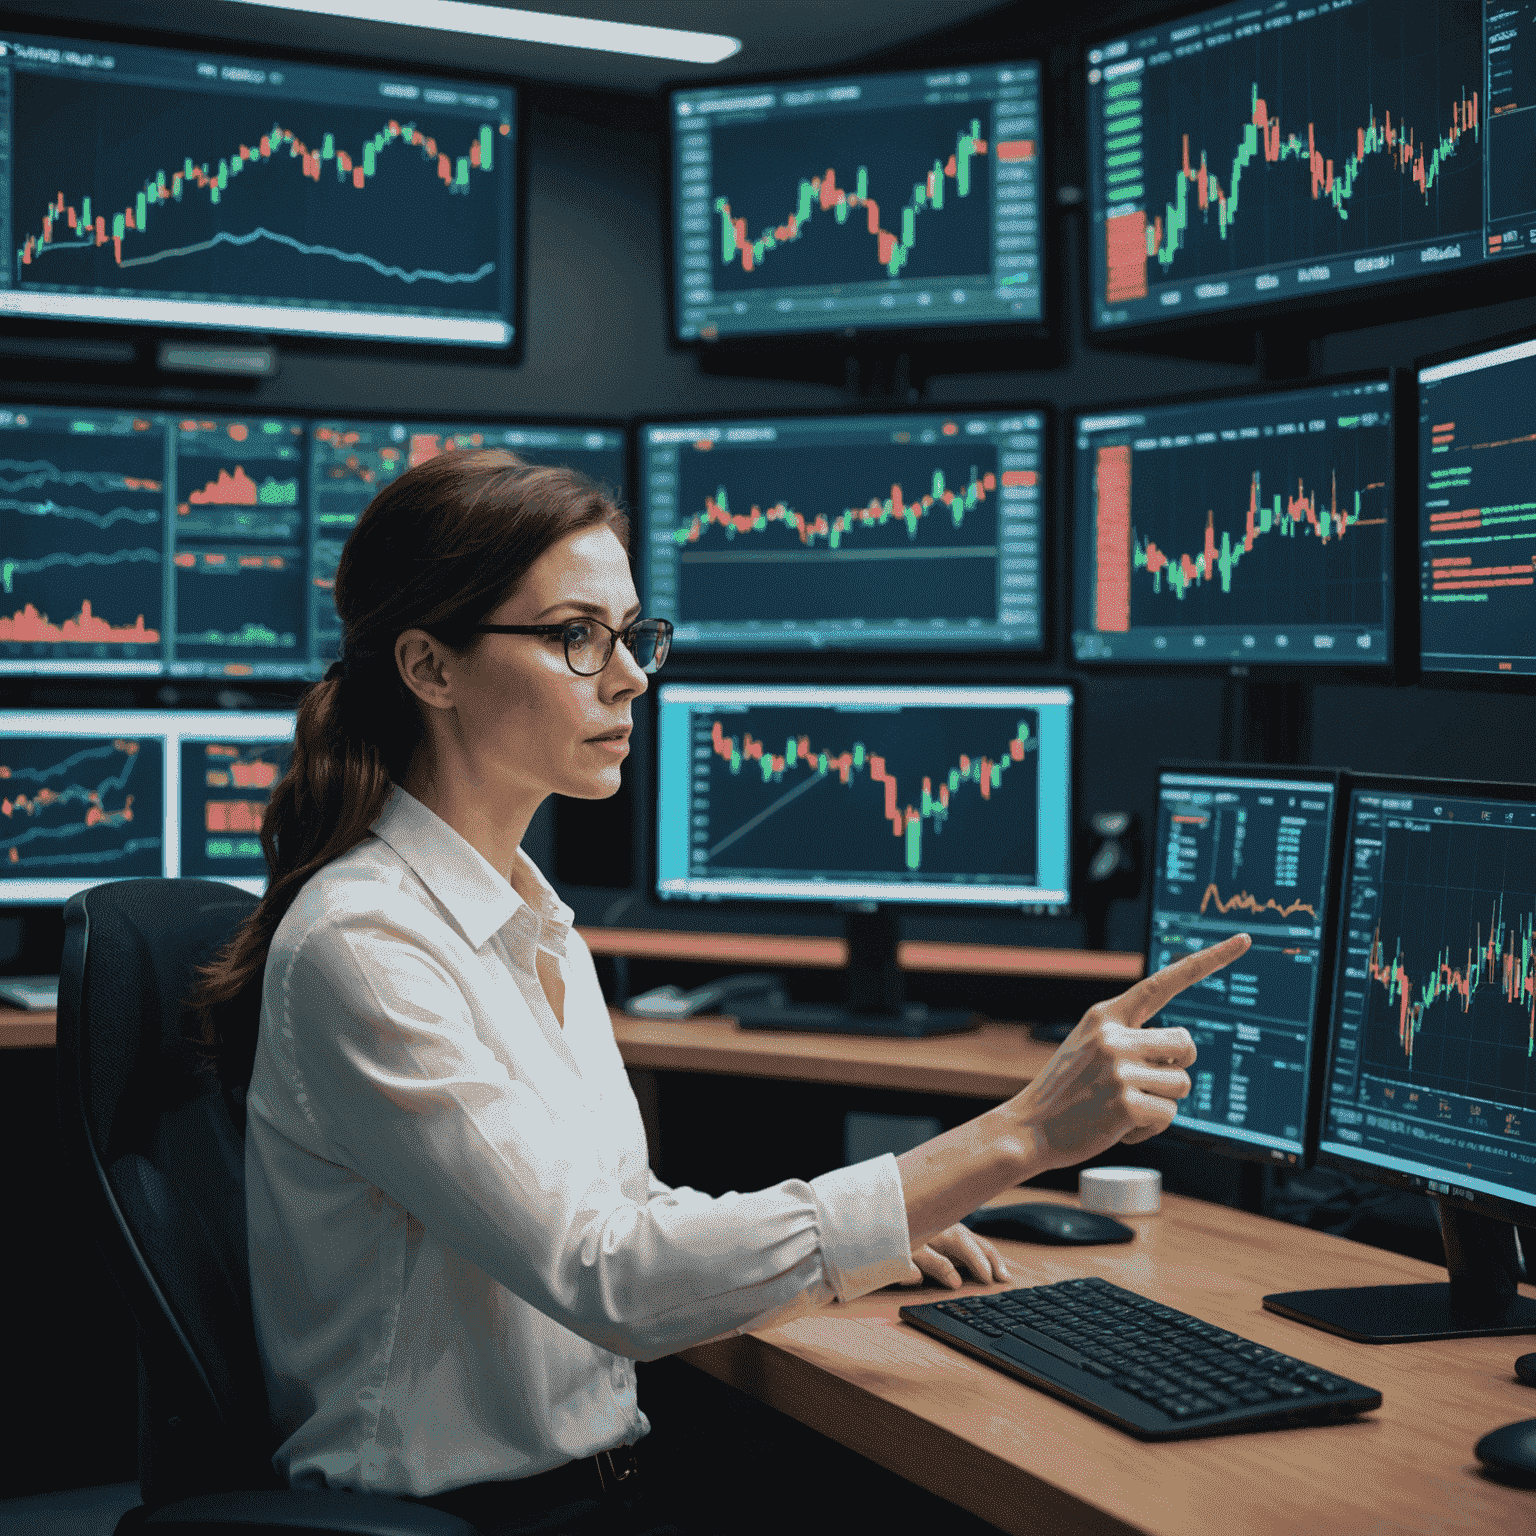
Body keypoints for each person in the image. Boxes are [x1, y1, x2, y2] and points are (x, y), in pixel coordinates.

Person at [192, 449, 1249, 1536]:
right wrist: (1017, 1136)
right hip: (472, 1520)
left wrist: (877, 1233)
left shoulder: (530, 919)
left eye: (631, 634)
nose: (629, 676)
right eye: (575, 637)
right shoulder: (365, 944)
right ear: (430, 666)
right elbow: (611, 1279)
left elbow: (624, 1216)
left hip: (600, 1489)